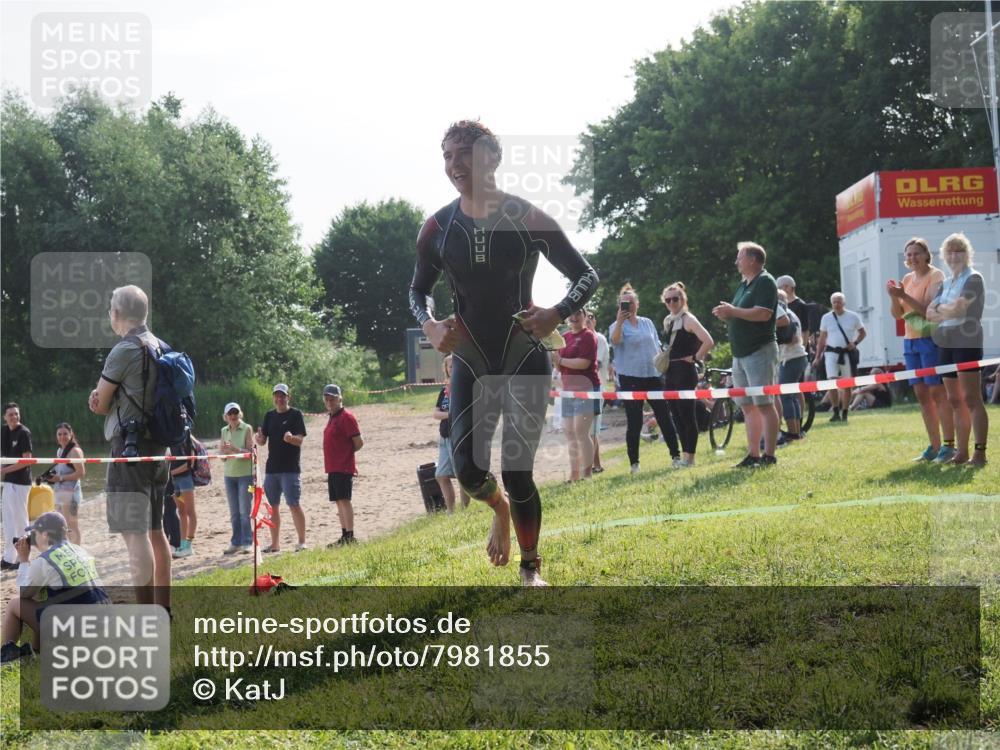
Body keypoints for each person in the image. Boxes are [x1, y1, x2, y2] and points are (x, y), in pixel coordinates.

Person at [409, 120, 598, 586]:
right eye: (448, 155)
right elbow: (417, 292)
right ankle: (500, 511)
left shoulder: (526, 216)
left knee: (517, 471)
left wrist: (557, 312)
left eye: (464, 153)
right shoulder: (437, 227)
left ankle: (531, 566)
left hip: (522, 353)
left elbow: (586, 275)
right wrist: (430, 324)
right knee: (468, 470)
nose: (455, 164)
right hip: (471, 357)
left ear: (492, 158)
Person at [88, 285, 170, 609]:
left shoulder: (124, 349)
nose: (110, 314)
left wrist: (98, 401)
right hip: (159, 449)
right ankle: (164, 609)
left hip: (129, 450)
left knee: (134, 535)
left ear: (117, 314)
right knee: (156, 531)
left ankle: (146, 613)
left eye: (110, 309)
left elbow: (100, 401)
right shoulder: (160, 346)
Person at [0, 512, 108, 663]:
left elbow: (24, 593)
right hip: (104, 629)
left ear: (44, 535)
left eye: (34, 533)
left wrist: (24, 560)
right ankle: (36, 651)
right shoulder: (80, 551)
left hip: (78, 637)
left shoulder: (45, 561)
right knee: (46, 601)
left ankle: (6, 656)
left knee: (15, 604)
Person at [712, 242, 781, 468]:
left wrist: (733, 311)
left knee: (764, 404)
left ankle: (769, 455)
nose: (736, 261)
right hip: (740, 354)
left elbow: (763, 314)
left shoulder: (765, 281)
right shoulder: (744, 285)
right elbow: (742, 314)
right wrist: (728, 314)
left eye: (740, 257)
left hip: (759, 350)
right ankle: (753, 455)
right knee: (747, 406)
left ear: (752, 259)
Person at [887, 237, 954, 463]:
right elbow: (897, 314)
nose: (912, 258)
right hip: (910, 340)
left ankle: (949, 445)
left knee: (937, 393)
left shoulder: (936, 276)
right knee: (922, 395)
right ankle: (933, 446)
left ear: (926, 255)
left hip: (930, 339)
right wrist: (893, 298)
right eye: (908, 255)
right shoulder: (907, 278)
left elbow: (929, 311)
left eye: (916, 253)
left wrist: (903, 296)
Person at [926, 232, 989, 466]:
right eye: (950, 251)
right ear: (944, 255)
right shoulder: (946, 283)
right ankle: (961, 453)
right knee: (954, 399)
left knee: (972, 398)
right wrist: (945, 308)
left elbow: (959, 310)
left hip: (967, 340)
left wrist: (943, 309)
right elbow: (928, 313)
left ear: (967, 254)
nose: (954, 255)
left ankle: (980, 453)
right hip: (945, 341)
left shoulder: (974, 278)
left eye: (959, 250)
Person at [610, 284, 682, 472]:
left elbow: (657, 346)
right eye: (624, 303)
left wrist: (665, 362)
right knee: (634, 422)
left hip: (653, 376)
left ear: (637, 304)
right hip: (629, 378)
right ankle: (634, 463)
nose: (628, 306)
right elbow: (615, 341)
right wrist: (619, 322)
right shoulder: (615, 325)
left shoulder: (647, 322)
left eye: (631, 302)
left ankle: (676, 456)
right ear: (619, 306)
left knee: (664, 417)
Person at [660, 282, 714, 466]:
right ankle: (684, 456)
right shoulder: (668, 320)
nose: (672, 302)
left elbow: (708, 340)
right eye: (668, 300)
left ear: (683, 299)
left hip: (685, 371)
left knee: (686, 415)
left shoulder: (688, 319)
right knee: (676, 415)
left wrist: (695, 357)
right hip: (670, 372)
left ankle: (690, 457)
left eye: (675, 299)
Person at [255, 383, 308, 552]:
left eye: (282, 396)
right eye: (277, 396)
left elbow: (300, 440)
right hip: (272, 469)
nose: (279, 399)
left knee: (294, 504)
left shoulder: (295, 414)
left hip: (290, 468)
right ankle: (275, 544)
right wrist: (259, 438)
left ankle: (301, 542)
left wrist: (291, 438)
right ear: (273, 398)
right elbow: (262, 441)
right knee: (273, 506)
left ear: (288, 397)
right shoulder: (269, 416)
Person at [553, 309, 599, 481]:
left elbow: (584, 363)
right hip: (568, 390)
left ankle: (587, 474)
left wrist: (561, 361)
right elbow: (559, 368)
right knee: (570, 433)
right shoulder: (563, 337)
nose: (573, 317)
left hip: (586, 389)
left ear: (584, 316)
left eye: (578, 313)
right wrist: (555, 358)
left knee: (581, 432)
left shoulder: (588, 336)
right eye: (571, 314)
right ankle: (574, 475)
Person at [813, 292, 867, 423]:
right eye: (834, 302)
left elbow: (863, 333)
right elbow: (822, 338)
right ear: (831, 304)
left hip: (846, 353)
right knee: (831, 381)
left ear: (844, 303)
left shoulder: (853, 316)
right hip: (831, 352)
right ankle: (835, 411)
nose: (836, 304)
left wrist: (854, 343)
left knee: (847, 383)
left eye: (839, 302)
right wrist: (817, 356)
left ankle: (845, 412)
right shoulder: (826, 318)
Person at [322, 384, 363, 545]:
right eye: (327, 399)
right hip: (332, 466)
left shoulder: (346, 417)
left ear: (340, 398)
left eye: (332, 398)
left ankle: (350, 535)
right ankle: (344, 533)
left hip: (342, 466)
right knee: (338, 500)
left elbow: (358, 442)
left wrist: (347, 457)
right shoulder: (332, 417)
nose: (329, 401)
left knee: (344, 500)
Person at [433, 356, 470, 512]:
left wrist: (448, 414)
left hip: (460, 436)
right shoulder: (444, 390)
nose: (452, 369)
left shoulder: (465, 387)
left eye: (455, 366)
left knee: (461, 475)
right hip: (444, 436)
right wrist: (450, 414)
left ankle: (464, 510)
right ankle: (451, 511)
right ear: (446, 369)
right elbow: (435, 413)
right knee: (441, 475)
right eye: (450, 366)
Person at [1, 403, 33, 571]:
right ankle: (8, 557)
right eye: (10, 414)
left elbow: (26, 460)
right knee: (7, 520)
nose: (14, 417)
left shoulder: (24, 433)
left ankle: (23, 558)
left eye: (16, 414)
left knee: (21, 521)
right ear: (4, 417)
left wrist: (4, 470)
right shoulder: (4, 431)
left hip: (20, 482)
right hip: (8, 481)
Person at [220, 402, 253, 554]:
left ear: (240, 414)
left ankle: (247, 542)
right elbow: (222, 457)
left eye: (235, 413)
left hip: (245, 475)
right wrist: (225, 453)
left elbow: (249, 453)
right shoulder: (224, 431)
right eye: (230, 414)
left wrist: (235, 449)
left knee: (244, 512)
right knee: (234, 512)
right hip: (229, 475)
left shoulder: (247, 428)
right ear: (226, 417)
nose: (233, 416)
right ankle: (236, 542)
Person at [776, 290, 809, 442]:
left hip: (791, 358)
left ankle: (793, 433)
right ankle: (796, 431)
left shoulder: (784, 315)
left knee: (785, 396)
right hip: (798, 357)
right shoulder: (791, 313)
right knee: (791, 396)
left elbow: (794, 339)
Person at [45, 422, 85, 544]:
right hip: (60, 492)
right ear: (56, 436)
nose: (62, 436)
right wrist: (49, 477)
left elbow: (81, 473)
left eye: (65, 434)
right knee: (61, 524)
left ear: (71, 434)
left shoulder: (75, 451)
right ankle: (68, 550)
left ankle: (77, 552)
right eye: (59, 434)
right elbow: (60, 470)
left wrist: (60, 478)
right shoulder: (59, 451)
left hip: (72, 493)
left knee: (72, 525)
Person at [585, 310, 609, 473]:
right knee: (586, 429)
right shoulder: (582, 340)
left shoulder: (598, 338)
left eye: (590, 317)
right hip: (583, 388)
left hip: (595, 387)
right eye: (583, 317)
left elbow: (596, 365)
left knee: (592, 429)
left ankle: (597, 465)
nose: (587, 320)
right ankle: (592, 465)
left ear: (595, 321)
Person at [169, 431, 197, 559]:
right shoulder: (169, 436)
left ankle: (189, 546)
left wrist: (173, 472)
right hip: (175, 480)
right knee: (181, 512)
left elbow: (190, 463)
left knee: (191, 512)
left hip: (185, 479)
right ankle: (182, 544)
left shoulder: (186, 436)